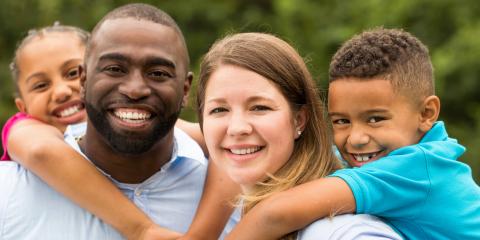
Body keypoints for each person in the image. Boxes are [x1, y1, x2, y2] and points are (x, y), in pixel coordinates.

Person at [0, 3, 233, 239]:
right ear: (85, 79)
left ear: (185, 89)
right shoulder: (10, 189)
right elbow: (39, 150)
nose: (134, 90)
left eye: (158, 73)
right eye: (114, 68)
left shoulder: (241, 194)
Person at [226, 28, 480, 240]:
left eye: (375, 119)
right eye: (342, 121)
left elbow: (275, 214)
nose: (356, 138)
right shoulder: (383, 158)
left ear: (426, 113)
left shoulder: (416, 169)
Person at [197, 32, 403, 239]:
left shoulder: (340, 232)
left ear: (299, 120)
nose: (236, 128)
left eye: (259, 107)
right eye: (219, 110)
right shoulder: (231, 216)